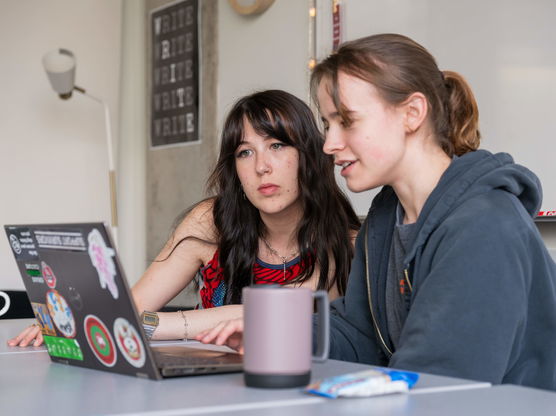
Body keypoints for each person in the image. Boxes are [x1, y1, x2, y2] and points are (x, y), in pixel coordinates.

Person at [197, 34, 556, 391]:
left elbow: (442, 386)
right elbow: (360, 335)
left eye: (347, 121)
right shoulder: (386, 218)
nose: (329, 144)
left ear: (412, 113)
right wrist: (277, 333)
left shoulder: (484, 225)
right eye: (327, 124)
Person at [7, 89, 360, 347]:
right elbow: (133, 306)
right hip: (204, 388)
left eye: (277, 146)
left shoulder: (342, 239)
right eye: (245, 152)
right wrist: (79, 320)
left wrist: (130, 323)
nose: (261, 167)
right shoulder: (210, 221)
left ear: (310, 155)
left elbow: (265, 319)